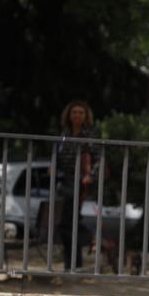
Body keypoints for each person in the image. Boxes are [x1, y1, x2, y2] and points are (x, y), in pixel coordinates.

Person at [55, 100, 98, 270]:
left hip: (80, 182)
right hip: (64, 181)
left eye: (81, 112)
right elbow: (58, 155)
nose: (77, 115)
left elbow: (98, 159)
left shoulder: (89, 135)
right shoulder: (64, 133)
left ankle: (91, 241)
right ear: (69, 115)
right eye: (74, 112)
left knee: (68, 222)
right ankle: (72, 262)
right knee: (65, 223)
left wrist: (90, 176)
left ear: (86, 116)